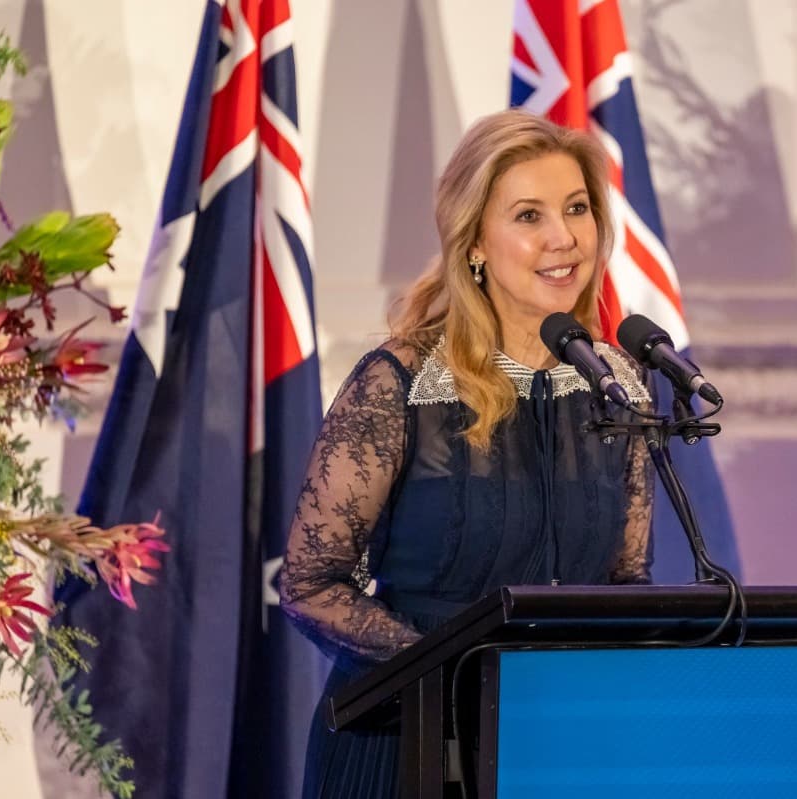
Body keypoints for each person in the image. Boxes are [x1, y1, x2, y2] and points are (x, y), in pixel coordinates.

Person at [278, 108, 656, 798]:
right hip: (406, 745)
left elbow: (626, 579)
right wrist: (450, 667)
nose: (563, 237)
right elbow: (310, 587)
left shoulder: (618, 383)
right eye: (529, 216)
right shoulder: (398, 383)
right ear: (474, 241)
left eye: (576, 209)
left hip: (559, 749)